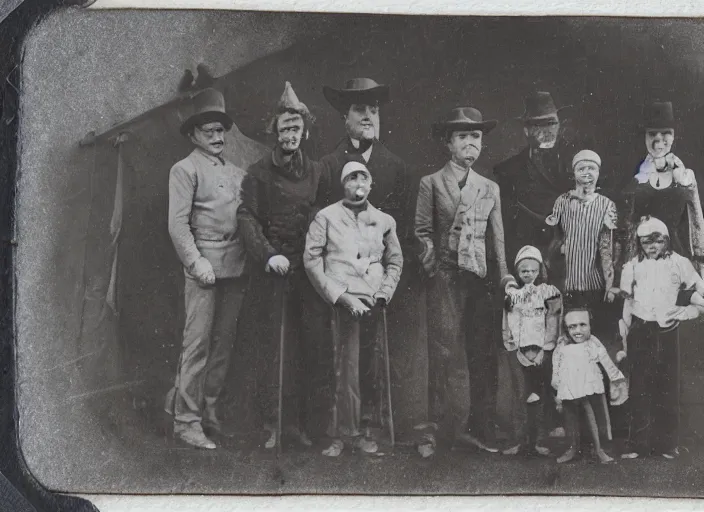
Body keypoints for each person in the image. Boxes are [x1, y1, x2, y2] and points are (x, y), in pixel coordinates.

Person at [320, 77, 424, 444]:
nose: (369, 117)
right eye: (360, 109)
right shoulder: (329, 165)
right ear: (344, 117)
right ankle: (340, 431)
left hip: (380, 283)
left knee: (377, 354)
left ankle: (373, 426)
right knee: (340, 355)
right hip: (341, 282)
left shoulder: (396, 167)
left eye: (374, 110)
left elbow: (402, 234)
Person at [237, 82, 328, 449]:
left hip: (307, 269)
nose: (290, 135)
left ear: (304, 131)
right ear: (274, 131)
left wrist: (315, 248)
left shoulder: (318, 171)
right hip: (273, 269)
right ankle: (272, 426)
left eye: (296, 128)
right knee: (273, 348)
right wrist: (267, 253)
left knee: (311, 345)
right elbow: (247, 217)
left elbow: (327, 213)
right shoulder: (259, 172)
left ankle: (302, 426)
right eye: (284, 128)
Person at [415, 106, 509, 457]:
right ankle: (443, 429)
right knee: (445, 351)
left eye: (476, 136)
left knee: (483, 350)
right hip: (447, 278)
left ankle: (482, 427)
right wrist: (433, 267)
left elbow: (497, 239)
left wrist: (505, 276)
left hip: (481, 279)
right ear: (448, 143)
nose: (471, 143)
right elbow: (422, 232)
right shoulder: (432, 183)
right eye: (463, 136)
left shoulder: (490, 188)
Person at [164, 88, 249, 449]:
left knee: (224, 344)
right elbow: (177, 225)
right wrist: (197, 263)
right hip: (202, 267)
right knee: (196, 345)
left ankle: (210, 412)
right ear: (192, 134)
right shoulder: (183, 170)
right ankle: (186, 420)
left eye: (220, 130)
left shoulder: (238, 171)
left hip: (236, 265)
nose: (217, 137)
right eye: (208, 131)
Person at [304, 161, 403, 457]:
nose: (358, 183)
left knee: (370, 368)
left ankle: (366, 432)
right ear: (342, 184)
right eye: (351, 178)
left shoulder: (384, 220)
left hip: (374, 303)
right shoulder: (326, 217)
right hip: (339, 303)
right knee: (340, 368)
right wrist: (341, 297)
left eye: (363, 177)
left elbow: (394, 261)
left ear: (371, 184)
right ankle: (337, 434)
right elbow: (312, 261)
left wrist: (384, 293)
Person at [616, 216, 704, 459]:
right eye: (646, 242)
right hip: (641, 329)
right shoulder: (633, 265)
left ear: (666, 240)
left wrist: (687, 312)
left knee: (669, 386)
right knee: (640, 386)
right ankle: (638, 444)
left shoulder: (680, 263)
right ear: (639, 243)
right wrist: (626, 331)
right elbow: (628, 301)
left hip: (667, 331)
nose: (652, 247)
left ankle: (668, 445)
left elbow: (698, 288)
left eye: (657, 241)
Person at [493, 91, 575, 286]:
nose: (547, 130)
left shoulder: (578, 163)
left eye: (551, 123)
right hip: (529, 259)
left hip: (569, 255)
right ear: (526, 130)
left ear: (559, 124)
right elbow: (505, 227)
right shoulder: (508, 171)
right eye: (539, 124)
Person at [620, 101, 704, 277]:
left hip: (679, 255)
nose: (659, 140)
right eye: (652, 134)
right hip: (644, 257)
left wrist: (700, 257)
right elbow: (627, 223)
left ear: (674, 136)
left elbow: (696, 219)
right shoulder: (636, 175)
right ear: (644, 137)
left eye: (666, 133)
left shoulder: (685, 176)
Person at [501, 246, 562, 456]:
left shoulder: (547, 292)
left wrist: (545, 349)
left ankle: (539, 441)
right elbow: (509, 322)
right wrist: (514, 348)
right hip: (519, 353)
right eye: (524, 270)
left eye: (533, 270)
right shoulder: (513, 296)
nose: (528, 274)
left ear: (539, 271)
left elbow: (552, 321)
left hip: (540, 352)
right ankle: (520, 440)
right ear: (518, 272)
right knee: (520, 395)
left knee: (541, 395)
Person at [545, 150, 618, 317]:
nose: (587, 173)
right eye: (581, 168)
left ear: (598, 172)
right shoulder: (562, 201)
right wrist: (559, 249)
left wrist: (609, 283)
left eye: (591, 168)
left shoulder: (607, 205)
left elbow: (607, 248)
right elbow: (553, 238)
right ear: (574, 172)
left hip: (593, 281)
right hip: (565, 279)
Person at [551, 308, 627, 464]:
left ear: (590, 326)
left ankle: (598, 449)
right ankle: (572, 448)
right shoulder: (562, 346)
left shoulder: (593, 343)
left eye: (582, 325)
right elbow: (556, 365)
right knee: (570, 417)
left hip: (589, 385)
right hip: (570, 386)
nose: (578, 331)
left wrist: (616, 379)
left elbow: (606, 361)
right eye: (572, 327)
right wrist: (556, 383)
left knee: (593, 417)